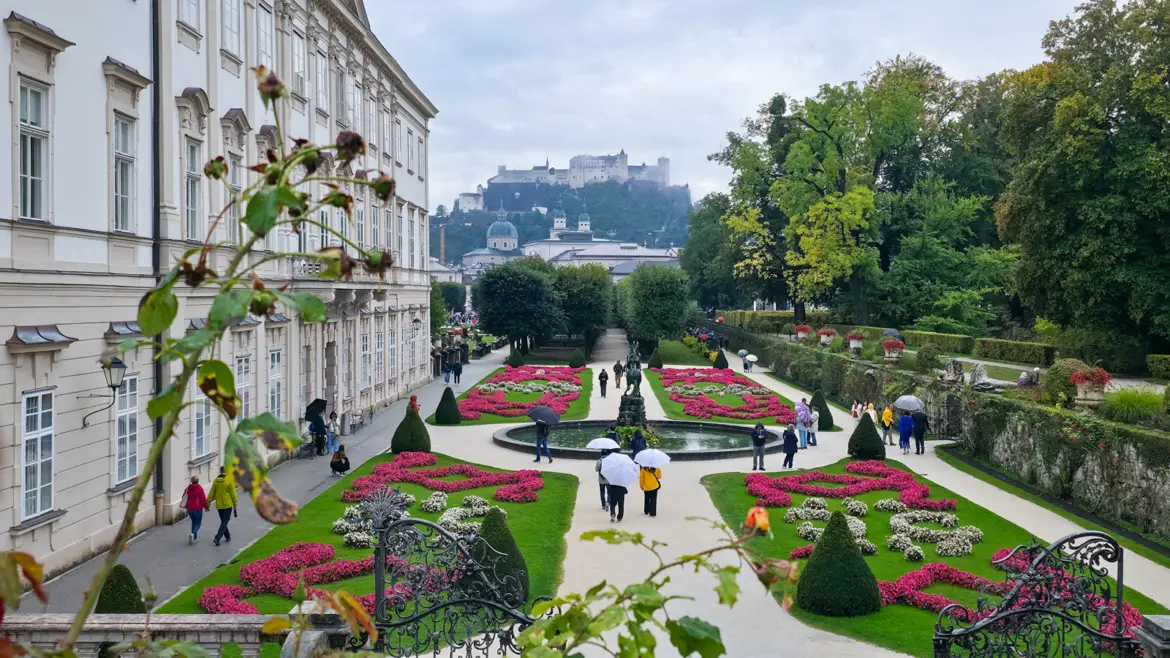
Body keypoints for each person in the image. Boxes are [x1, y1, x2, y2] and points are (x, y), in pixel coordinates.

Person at [208, 467, 238, 547]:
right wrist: (235, 503)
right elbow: (233, 493)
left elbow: (211, 493)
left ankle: (228, 536)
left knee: (223, 522)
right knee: (224, 522)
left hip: (219, 505)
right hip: (227, 504)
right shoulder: (229, 480)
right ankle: (217, 537)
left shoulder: (216, 481)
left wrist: (208, 502)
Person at [182, 475, 208, 545]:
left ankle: (195, 537)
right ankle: (193, 534)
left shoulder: (187, 488)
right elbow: (203, 500)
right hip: (197, 508)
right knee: (198, 523)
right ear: (198, 481)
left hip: (189, 509)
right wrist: (206, 507)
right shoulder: (199, 489)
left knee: (193, 522)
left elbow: (183, 496)